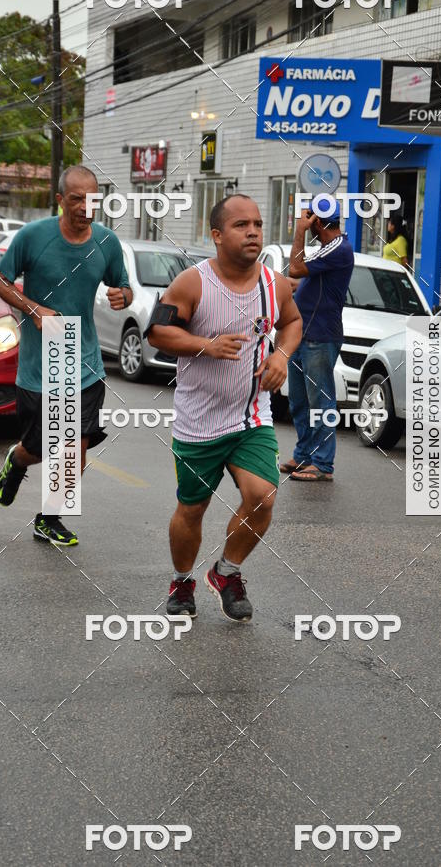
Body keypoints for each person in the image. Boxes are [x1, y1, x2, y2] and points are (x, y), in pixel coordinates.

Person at [147, 194, 302, 622]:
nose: (252, 231)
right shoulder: (192, 283)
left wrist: (281, 357)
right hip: (199, 422)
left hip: (252, 416)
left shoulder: (275, 285)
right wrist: (206, 345)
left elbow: (292, 322)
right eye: (240, 225)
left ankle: (227, 573)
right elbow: (157, 332)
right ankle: (182, 580)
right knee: (192, 509)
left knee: (263, 497)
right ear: (217, 235)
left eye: (257, 223)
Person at [0, 165, 132, 545]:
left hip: (83, 360)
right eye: (76, 199)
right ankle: (17, 460)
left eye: (92, 198)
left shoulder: (106, 242)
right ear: (60, 200)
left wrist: (124, 297)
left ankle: (48, 518)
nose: (86, 207)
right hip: (40, 363)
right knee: (43, 446)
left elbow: (123, 285)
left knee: (74, 447)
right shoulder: (34, 237)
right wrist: (33, 309)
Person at [280, 197, 354, 482]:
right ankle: (304, 455)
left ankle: (323, 464)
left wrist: (299, 230)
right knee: (299, 400)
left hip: (320, 337)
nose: (307, 224)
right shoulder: (327, 249)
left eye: (310, 220)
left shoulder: (338, 248)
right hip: (303, 335)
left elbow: (297, 268)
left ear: (318, 223)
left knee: (320, 402)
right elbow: (304, 280)